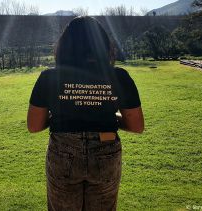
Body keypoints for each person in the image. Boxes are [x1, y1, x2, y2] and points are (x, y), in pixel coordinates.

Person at [27, 16, 144, 211]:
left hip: (63, 152)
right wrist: (107, 114)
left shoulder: (49, 77)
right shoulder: (119, 76)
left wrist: (62, 112)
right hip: (106, 150)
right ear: (103, 45)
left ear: (64, 46)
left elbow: (34, 126)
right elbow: (136, 126)